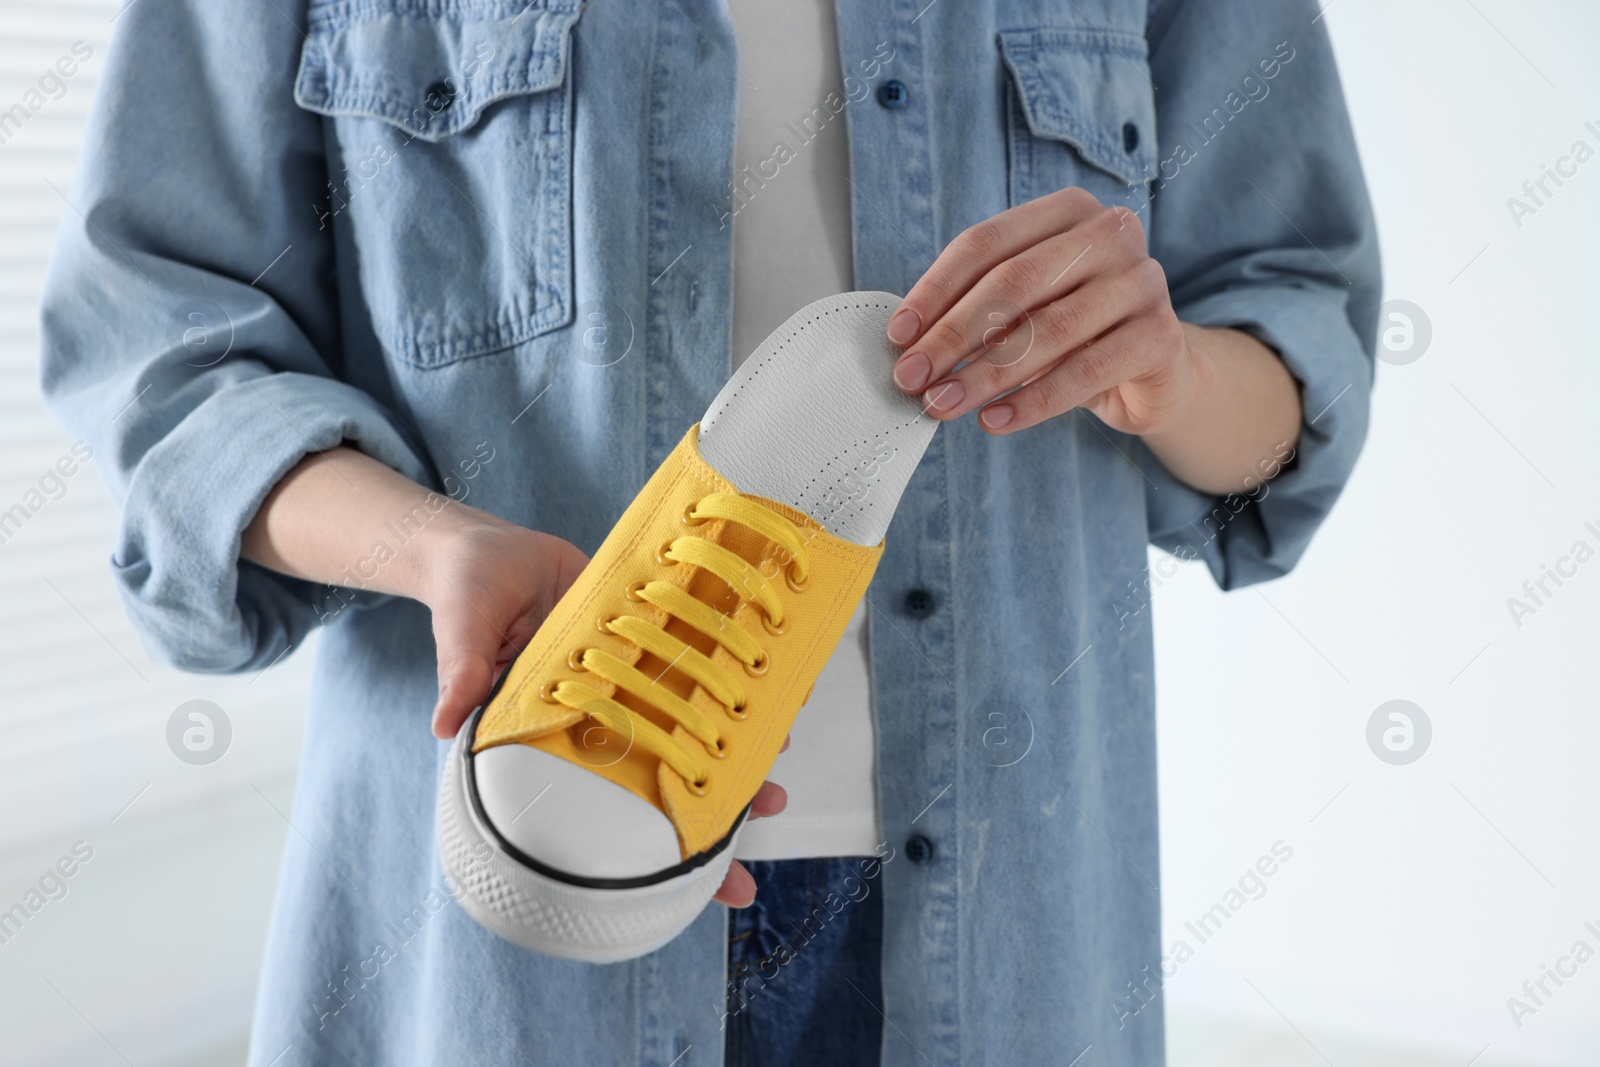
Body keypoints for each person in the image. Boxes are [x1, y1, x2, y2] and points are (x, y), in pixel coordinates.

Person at [40, 0, 1378, 1063]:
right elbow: (163, 356)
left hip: (1014, 932)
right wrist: (427, 547)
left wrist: (1175, 370)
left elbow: (1289, 355)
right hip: (507, 919)